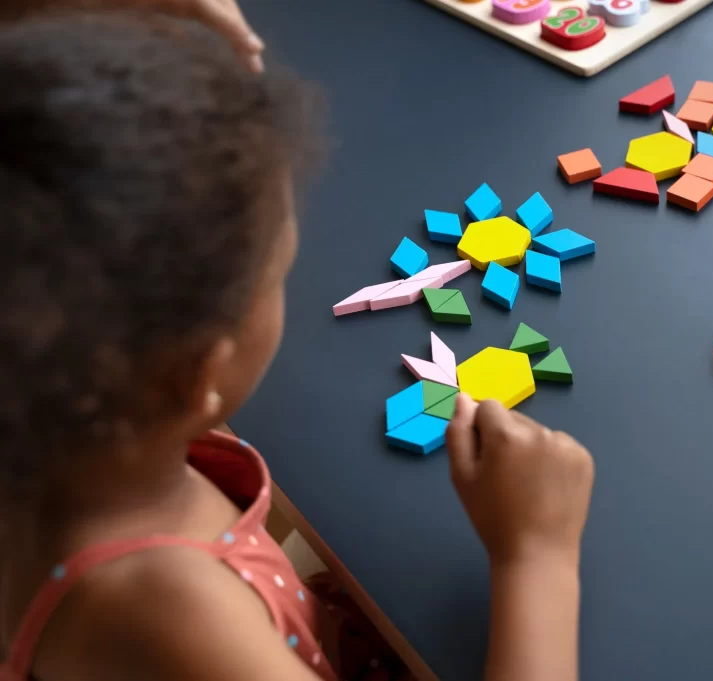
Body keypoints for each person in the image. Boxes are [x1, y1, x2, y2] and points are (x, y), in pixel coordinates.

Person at [0, 4, 595, 681]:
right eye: (279, 273)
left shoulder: (64, 421)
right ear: (199, 374)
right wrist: (538, 559)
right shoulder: (170, 615)